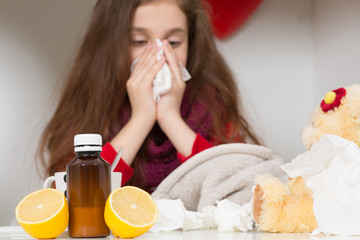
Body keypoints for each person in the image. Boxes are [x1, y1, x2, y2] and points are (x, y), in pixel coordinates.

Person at [37, 0, 260, 193]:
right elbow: (74, 198)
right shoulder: (89, 104)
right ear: (111, 46)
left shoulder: (213, 104)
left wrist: (170, 118)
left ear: (191, 44)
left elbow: (233, 190)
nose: (158, 55)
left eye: (173, 43)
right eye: (139, 42)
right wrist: (141, 118)